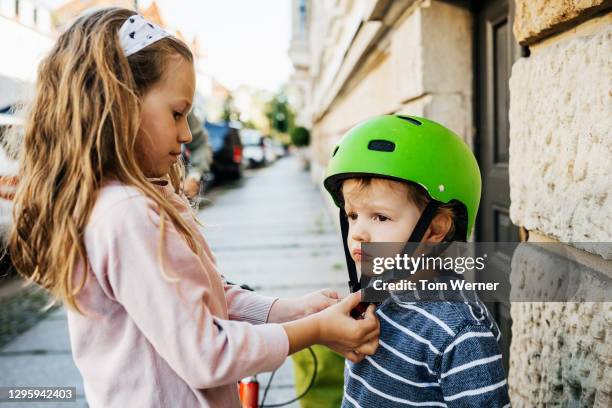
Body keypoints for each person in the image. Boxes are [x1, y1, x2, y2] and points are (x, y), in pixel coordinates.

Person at [8, 8, 379, 407]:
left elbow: (203, 298)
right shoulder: (126, 214)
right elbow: (208, 353)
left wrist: (290, 311)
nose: (186, 134)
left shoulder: (130, 201)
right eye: (177, 113)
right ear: (119, 103)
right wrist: (317, 330)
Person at [323, 115, 511, 407]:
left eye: (380, 217)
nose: (358, 232)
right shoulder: (374, 293)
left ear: (435, 229)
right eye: (352, 215)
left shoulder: (459, 333)